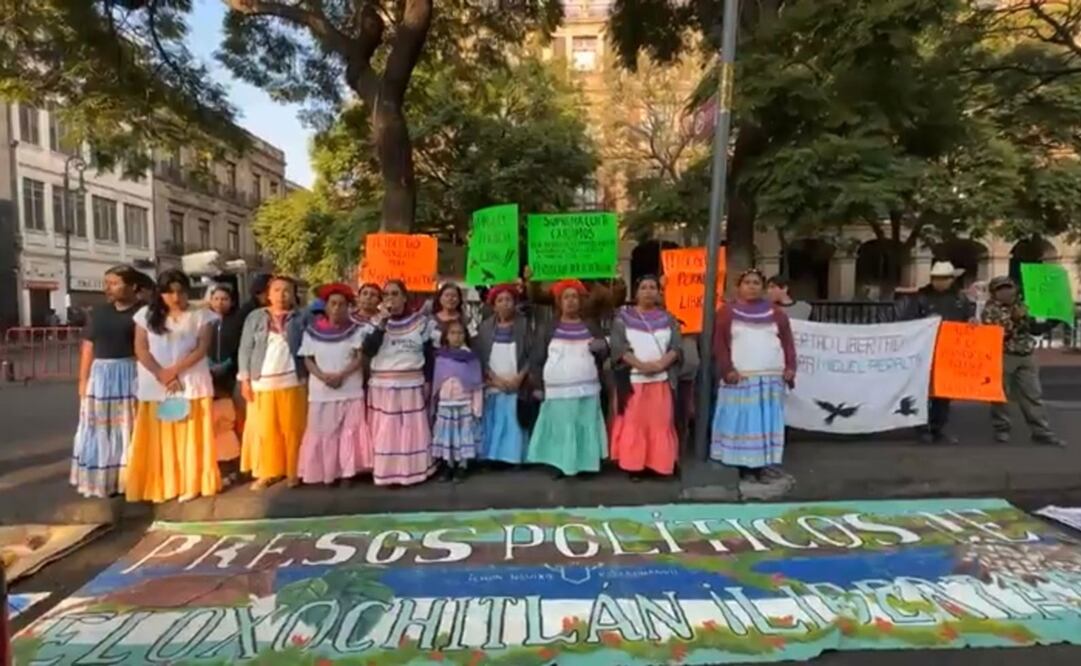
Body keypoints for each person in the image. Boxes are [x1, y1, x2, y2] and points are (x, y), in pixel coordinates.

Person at [125, 269, 221, 503]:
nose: (175, 297)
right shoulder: (145, 315)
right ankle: (162, 484)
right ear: (160, 293)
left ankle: (192, 483)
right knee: (161, 438)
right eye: (169, 292)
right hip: (157, 385)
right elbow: (141, 349)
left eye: (180, 292)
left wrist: (174, 372)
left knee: (190, 435)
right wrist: (162, 375)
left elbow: (201, 349)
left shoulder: (201, 315)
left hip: (190, 382)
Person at [710, 268, 797, 483]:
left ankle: (765, 464)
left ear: (763, 287)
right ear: (738, 287)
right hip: (741, 378)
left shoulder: (776, 314)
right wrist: (727, 369)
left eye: (756, 283)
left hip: (769, 380)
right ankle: (744, 466)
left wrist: (790, 367)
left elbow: (787, 342)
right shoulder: (727, 312)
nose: (751, 286)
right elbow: (719, 344)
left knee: (766, 423)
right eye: (747, 282)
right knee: (743, 422)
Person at [71, 265, 142, 498]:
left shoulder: (144, 312)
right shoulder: (99, 313)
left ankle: (128, 480)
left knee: (127, 427)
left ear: (132, 286)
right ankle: (102, 481)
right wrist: (83, 380)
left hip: (130, 373)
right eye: (106, 283)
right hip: (100, 377)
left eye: (114, 283)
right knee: (98, 428)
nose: (108, 288)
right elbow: (88, 346)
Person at [527, 280, 609, 477]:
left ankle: (586, 465)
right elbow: (537, 357)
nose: (571, 301)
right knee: (561, 427)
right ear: (559, 302)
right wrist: (537, 385)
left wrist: (602, 347)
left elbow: (604, 355)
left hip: (587, 390)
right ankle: (560, 464)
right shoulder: (548, 328)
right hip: (557, 391)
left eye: (574, 297)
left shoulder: (591, 326)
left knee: (585, 424)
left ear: (580, 301)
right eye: (566, 297)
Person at [361, 280, 436, 486]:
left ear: (404, 297)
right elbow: (368, 350)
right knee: (386, 430)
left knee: (409, 430)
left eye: (395, 294)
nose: (390, 298)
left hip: (411, 384)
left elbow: (429, 354)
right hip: (383, 386)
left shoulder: (421, 322)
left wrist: (429, 380)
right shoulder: (374, 323)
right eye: (386, 295)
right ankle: (386, 472)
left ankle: (411, 472)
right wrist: (382, 324)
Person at [297, 283, 373, 485]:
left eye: (342, 304)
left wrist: (341, 375)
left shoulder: (357, 331)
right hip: (322, 390)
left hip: (350, 388)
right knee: (323, 431)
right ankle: (325, 472)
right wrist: (323, 376)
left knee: (349, 431)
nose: (337, 308)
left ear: (349, 307)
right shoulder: (312, 331)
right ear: (326, 306)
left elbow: (359, 358)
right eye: (333, 304)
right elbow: (307, 359)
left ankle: (348, 472)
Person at [238, 275, 307, 490]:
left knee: (294, 429)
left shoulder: (302, 318)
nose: (281, 295)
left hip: (293, 380)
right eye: (276, 290)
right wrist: (245, 380)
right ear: (268, 294)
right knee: (265, 430)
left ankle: (294, 471)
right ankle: (268, 472)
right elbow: (245, 348)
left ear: (294, 295)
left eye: (287, 290)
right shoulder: (255, 318)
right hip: (262, 382)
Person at [609, 275, 682, 478]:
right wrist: (641, 365)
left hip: (661, 382)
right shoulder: (622, 319)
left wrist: (659, 365)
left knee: (660, 423)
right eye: (643, 287)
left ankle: (659, 464)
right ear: (636, 292)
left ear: (659, 292)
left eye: (652, 287)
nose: (648, 291)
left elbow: (676, 347)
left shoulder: (669, 319)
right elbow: (619, 348)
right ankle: (634, 466)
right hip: (633, 382)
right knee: (635, 424)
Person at [981, 276, 1065, 447]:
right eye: (1001, 289)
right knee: (1000, 394)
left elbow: (1034, 329)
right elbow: (996, 334)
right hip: (1003, 355)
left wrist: (1054, 320)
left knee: (1033, 394)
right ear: (994, 292)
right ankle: (1002, 428)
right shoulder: (990, 310)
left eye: (1008, 288)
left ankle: (1041, 431)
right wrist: (1015, 319)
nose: (1006, 292)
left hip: (1026, 354)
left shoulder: (1023, 306)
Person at [904, 260, 976, 444]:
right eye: (936, 278)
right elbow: (907, 322)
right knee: (922, 391)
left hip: (950, 352)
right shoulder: (921, 297)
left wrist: (972, 322)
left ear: (952, 279)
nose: (940, 282)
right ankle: (921, 428)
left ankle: (938, 428)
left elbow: (968, 317)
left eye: (944, 278)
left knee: (943, 394)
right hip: (925, 352)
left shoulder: (960, 298)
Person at [475, 284, 531, 466]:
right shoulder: (484, 328)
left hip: (517, 383)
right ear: (494, 305)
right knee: (494, 419)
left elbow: (532, 354)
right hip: (494, 384)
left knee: (513, 420)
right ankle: (492, 456)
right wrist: (495, 380)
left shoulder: (524, 325)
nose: (505, 304)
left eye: (509, 300)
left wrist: (519, 378)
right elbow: (481, 358)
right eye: (500, 300)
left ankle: (514, 457)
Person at [431, 319, 485, 481]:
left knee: (463, 437)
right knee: (448, 437)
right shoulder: (441, 357)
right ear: (446, 336)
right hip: (446, 404)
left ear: (465, 336)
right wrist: (434, 404)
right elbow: (437, 382)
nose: (456, 336)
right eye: (453, 333)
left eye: (460, 333)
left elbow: (476, 384)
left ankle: (462, 466)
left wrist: (477, 408)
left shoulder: (471, 358)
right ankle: (448, 465)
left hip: (464, 404)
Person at [207, 284, 243, 485]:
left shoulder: (236, 322)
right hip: (207, 378)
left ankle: (233, 465)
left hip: (230, 377)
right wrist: (208, 365)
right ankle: (216, 466)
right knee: (212, 424)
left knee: (230, 423)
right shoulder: (203, 321)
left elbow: (241, 348)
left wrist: (228, 364)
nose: (220, 302)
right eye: (217, 298)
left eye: (225, 299)